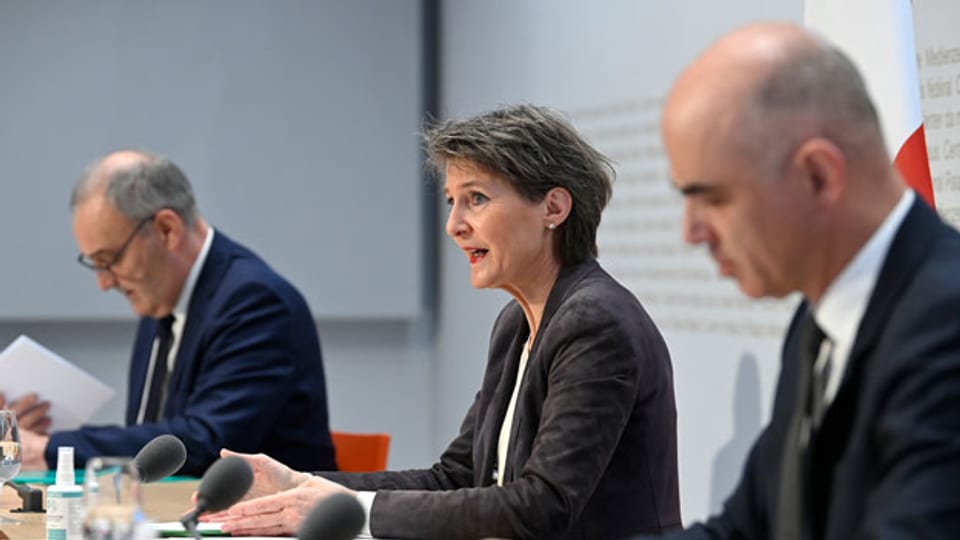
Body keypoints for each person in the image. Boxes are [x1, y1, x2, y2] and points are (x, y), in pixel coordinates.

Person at [203, 104, 682, 539]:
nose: (454, 225)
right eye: (452, 201)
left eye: (476, 199)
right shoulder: (517, 323)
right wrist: (301, 485)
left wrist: (349, 511)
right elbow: (455, 477)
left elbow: (542, 505)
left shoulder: (595, 323)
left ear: (553, 208)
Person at [653, 22, 960, 539]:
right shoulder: (818, 319)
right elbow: (746, 528)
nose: (691, 233)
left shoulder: (946, 324)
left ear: (819, 175)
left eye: (714, 199)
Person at [11, 149, 336, 476]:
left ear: (167, 229)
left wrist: (53, 449)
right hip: (174, 513)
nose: (104, 282)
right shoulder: (161, 298)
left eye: (110, 259)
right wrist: (40, 435)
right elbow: (155, 438)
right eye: (95, 264)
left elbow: (205, 443)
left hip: (268, 522)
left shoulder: (256, 302)